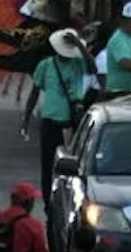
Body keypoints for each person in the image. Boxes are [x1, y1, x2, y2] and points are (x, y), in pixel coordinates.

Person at [22, 28, 88, 202]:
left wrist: (80, 46)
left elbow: (93, 68)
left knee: (70, 166)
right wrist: (26, 119)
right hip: (51, 121)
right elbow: (34, 93)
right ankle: (47, 203)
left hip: (70, 121)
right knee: (47, 164)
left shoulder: (79, 63)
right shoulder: (46, 65)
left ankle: (65, 198)